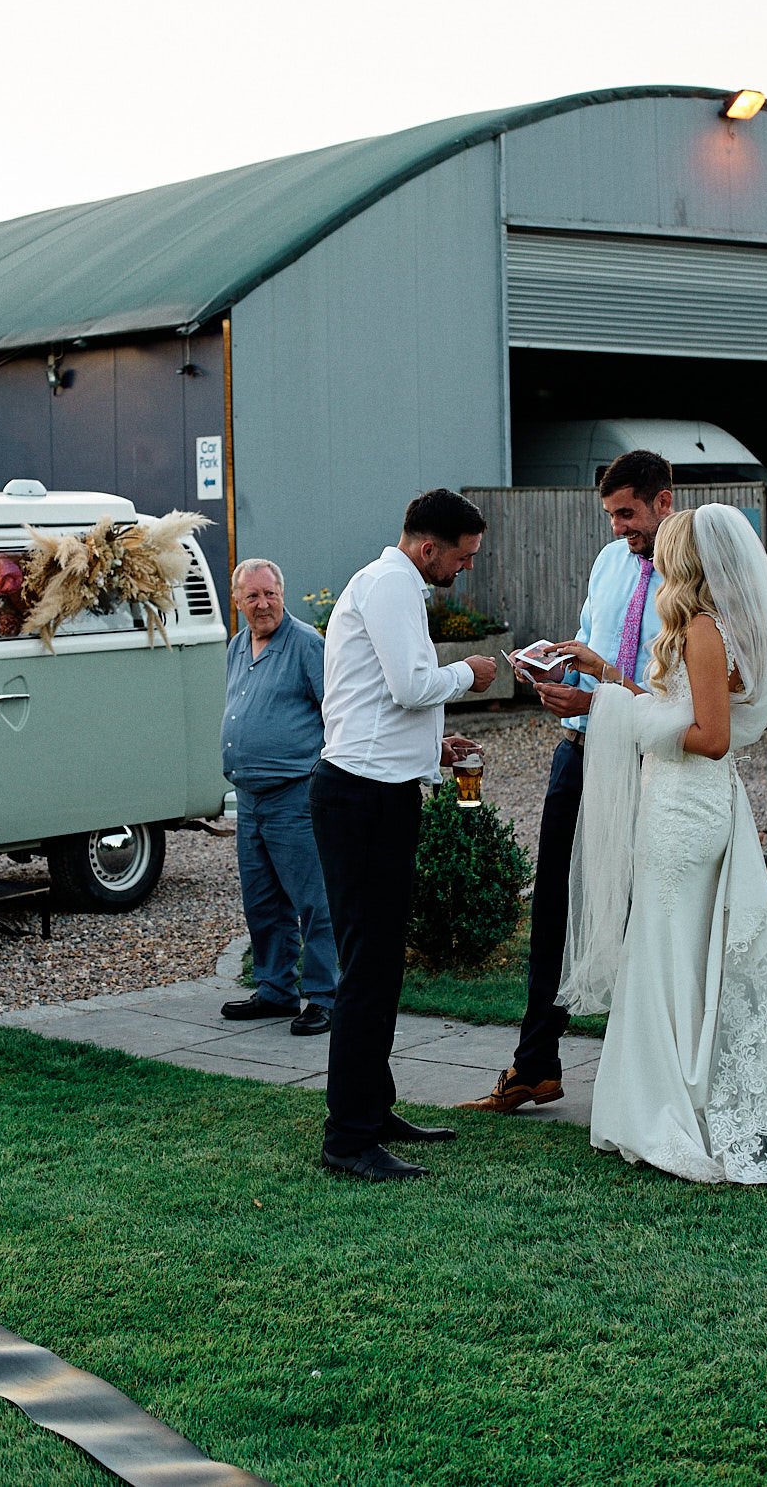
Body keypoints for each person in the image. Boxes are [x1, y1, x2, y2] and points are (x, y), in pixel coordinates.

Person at [546, 506, 767, 1183]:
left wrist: (612, 712)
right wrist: (605, 679)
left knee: (668, 947)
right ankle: (668, 1097)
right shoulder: (704, 629)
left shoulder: (705, 632)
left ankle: (672, 1108)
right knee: (672, 945)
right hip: (680, 802)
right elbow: (676, 707)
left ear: (685, 563)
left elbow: (709, 737)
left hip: (687, 806)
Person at [457, 448, 676, 1116]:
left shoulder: (695, 570)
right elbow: (590, 638)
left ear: (664, 501)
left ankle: (643, 1072)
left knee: (643, 912)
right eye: (610, 515)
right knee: (553, 901)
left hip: (648, 760)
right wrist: (556, 673)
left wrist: (601, 697)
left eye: (627, 514)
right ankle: (534, 1065)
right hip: (576, 751)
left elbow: (678, 689)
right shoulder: (610, 561)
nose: (617, 528)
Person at [312, 489, 497, 1181]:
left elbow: (380, 701)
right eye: (463, 555)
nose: (466, 568)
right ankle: (348, 1138)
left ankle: (373, 1106)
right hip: (360, 800)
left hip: (375, 791)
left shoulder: (392, 584)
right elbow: (411, 683)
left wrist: (433, 749)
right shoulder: (392, 583)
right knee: (367, 970)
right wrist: (471, 672)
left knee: (381, 964)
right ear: (429, 548)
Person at [217, 558, 338, 1036]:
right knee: (263, 902)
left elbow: (338, 713)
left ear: (283, 594)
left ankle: (324, 996)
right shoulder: (236, 647)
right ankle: (274, 989)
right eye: (253, 596)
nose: (263, 603)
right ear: (238, 602)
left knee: (314, 901)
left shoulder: (307, 645)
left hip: (295, 794)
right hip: (250, 798)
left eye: (270, 593)